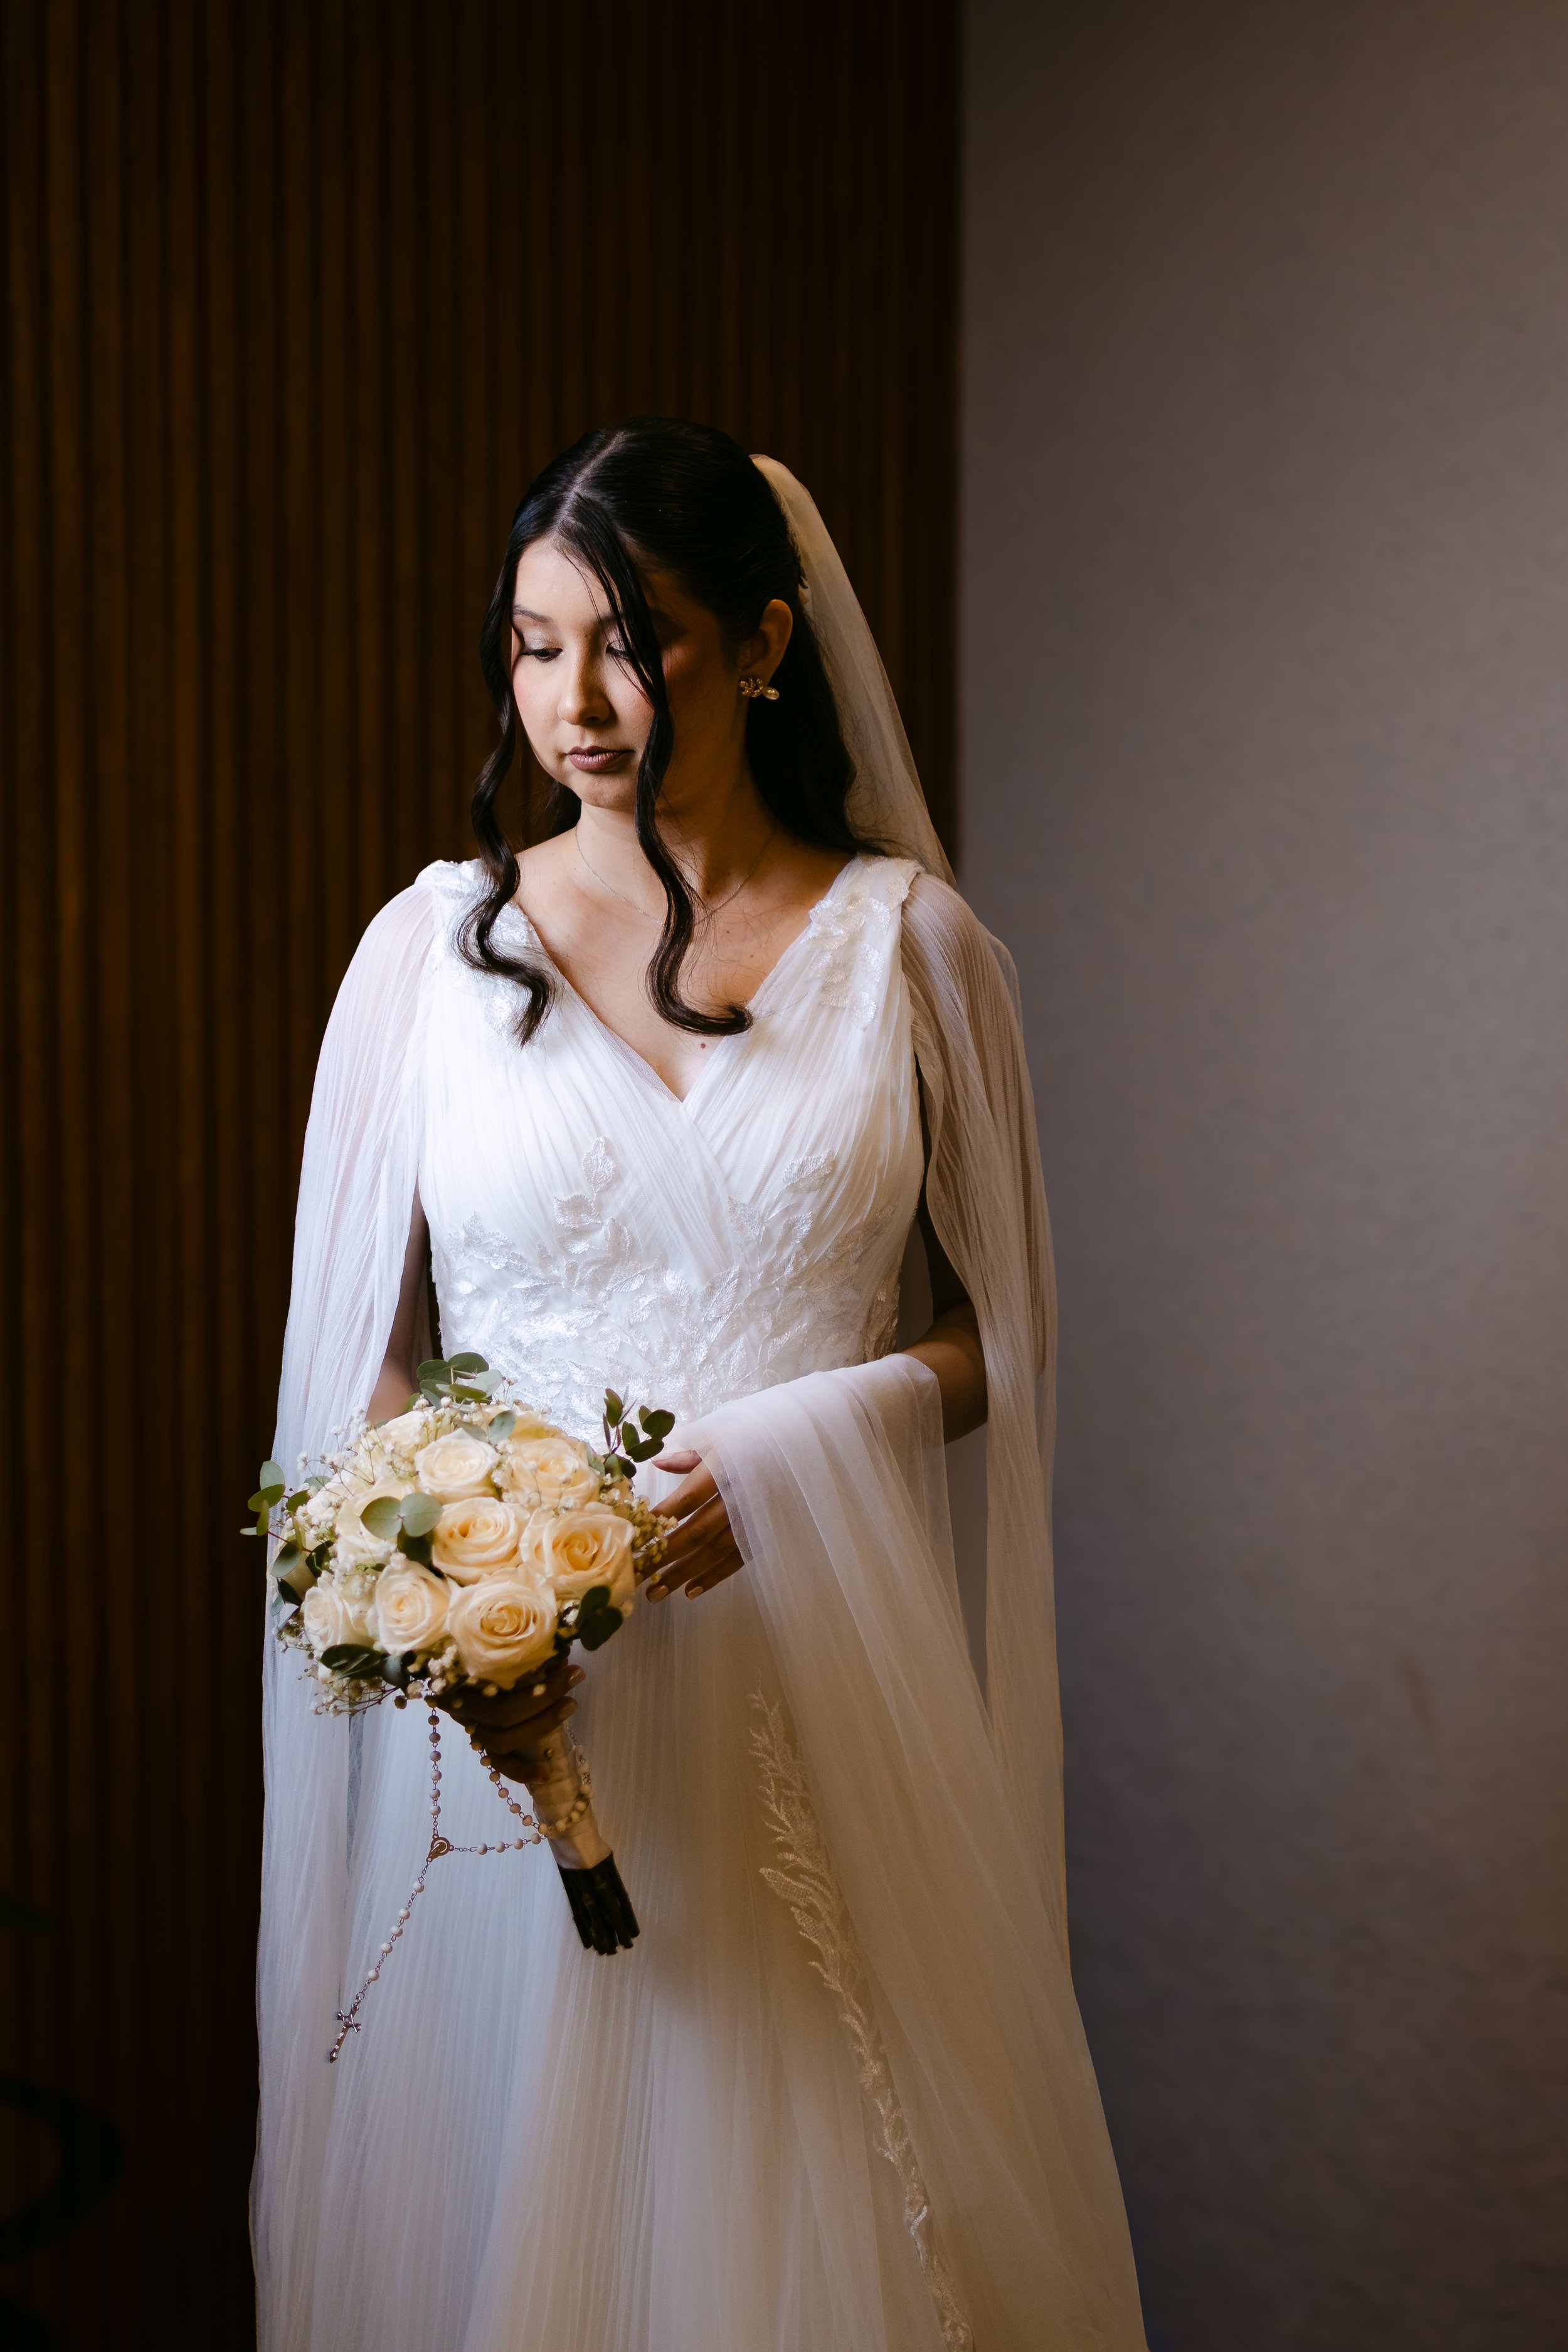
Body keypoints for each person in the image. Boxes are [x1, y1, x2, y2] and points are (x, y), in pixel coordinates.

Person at [255, 419, 1148, 2351]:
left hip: (825, 1696)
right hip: (522, 1714)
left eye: (630, 641)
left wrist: (803, 1447)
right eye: (529, 643)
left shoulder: (916, 955)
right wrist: (445, 1565)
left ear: (758, 642)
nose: (574, 701)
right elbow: (367, 1344)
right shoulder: (428, 951)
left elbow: (1014, 1332)